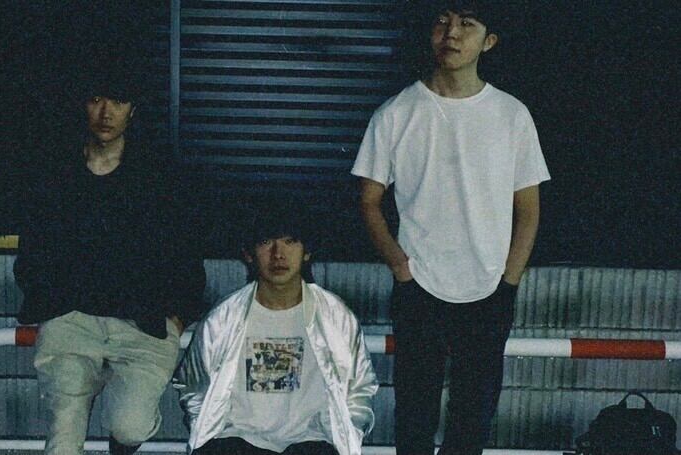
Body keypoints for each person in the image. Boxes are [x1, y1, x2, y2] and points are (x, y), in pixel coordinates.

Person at [351, 2, 551, 454]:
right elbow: (368, 201)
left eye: (467, 24)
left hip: (490, 287)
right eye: (442, 20)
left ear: (489, 41)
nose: (452, 33)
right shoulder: (397, 112)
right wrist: (401, 267)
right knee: (414, 417)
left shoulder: (511, 115)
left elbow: (529, 208)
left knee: (473, 419)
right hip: (419, 284)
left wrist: (509, 280)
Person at [14, 63, 206, 455]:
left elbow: (186, 251)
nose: (106, 112)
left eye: (117, 101)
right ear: (83, 105)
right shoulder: (55, 172)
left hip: (142, 323)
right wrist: (47, 301)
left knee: (130, 425)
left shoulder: (159, 176)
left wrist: (177, 313)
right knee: (64, 433)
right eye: (96, 100)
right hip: (72, 318)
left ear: (133, 110)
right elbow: (32, 248)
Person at [174, 205, 378, 455]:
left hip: (313, 441)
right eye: (265, 242)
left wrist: (348, 434)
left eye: (290, 242)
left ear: (306, 252)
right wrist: (206, 434)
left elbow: (359, 388)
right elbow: (193, 386)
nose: (278, 254)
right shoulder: (223, 318)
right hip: (235, 440)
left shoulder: (335, 317)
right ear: (249, 254)